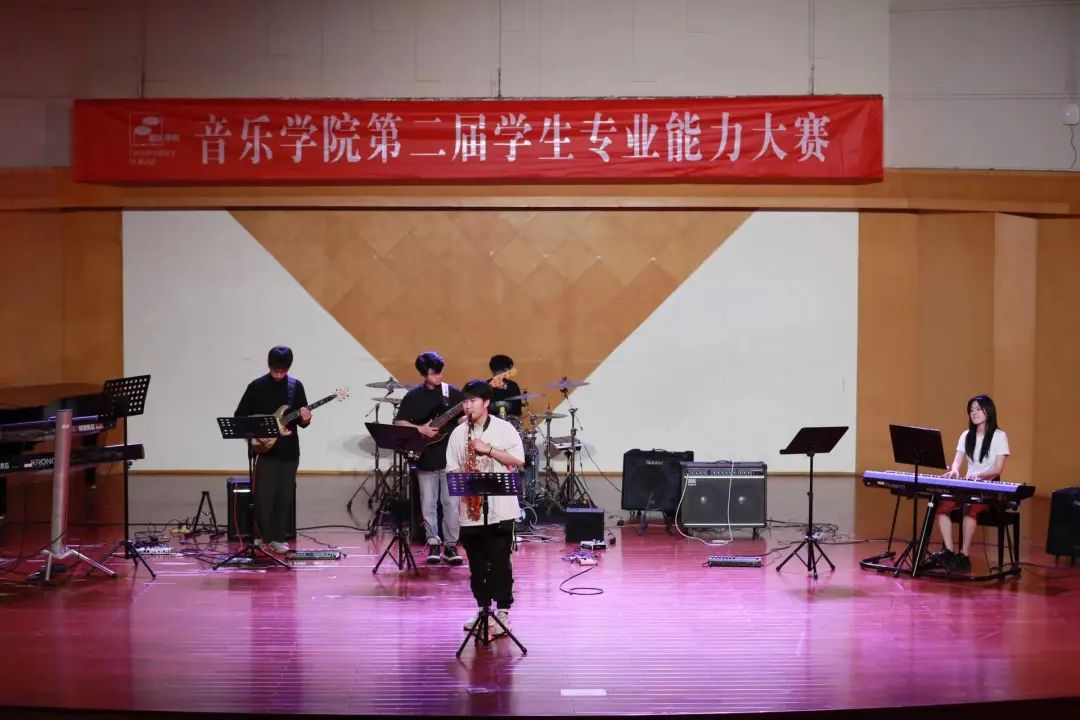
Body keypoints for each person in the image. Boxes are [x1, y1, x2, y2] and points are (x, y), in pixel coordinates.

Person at [446, 380, 526, 637]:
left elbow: (518, 460)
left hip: (501, 510)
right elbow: (452, 469)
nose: (467, 406)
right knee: (477, 565)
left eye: (472, 401)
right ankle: (483, 610)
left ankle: (502, 613)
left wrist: (488, 450)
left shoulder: (504, 429)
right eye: (465, 401)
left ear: (486, 402)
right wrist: (467, 472)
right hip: (470, 511)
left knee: (500, 563)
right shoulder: (458, 433)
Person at [234, 346, 311, 554]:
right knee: (263, 497)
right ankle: (261, 537)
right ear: (269, 365)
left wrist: (305, 419)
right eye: (275, 370)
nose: (278, 374)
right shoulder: (256, 386)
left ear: (289, 368)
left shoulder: (295, 386)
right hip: (265, 450)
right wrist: (255, 433)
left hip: (289, 450)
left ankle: (278, 539)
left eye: (283, 371)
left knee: (284, 497)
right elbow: (240, 416)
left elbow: (302, 420)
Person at [393, 351, 465, 566]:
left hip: (451, 459)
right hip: (425, 456)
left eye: (440, 372)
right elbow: (399, 422)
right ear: (424, 374)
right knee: (428, 504)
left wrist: (466, 418)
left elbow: (461, 418)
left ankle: (451, 545)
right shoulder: (413, 396)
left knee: (451, 505)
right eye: (434, 374)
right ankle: (433, 542)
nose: (439, 377)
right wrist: (420, 429)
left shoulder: (452, 393)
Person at [928, 395, 1010, 572]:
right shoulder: (966, 435)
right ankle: (949, 551)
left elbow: (997, 469)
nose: (974, 413)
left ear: (989, 411)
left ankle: (964, 555)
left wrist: (979, 475)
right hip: (969, 484)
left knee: (970, 506)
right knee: (941, 505)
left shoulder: (999, 436)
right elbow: (957, 461)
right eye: (971, 410)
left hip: (989, 486)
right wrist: (955, 470)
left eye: (978, 409)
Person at [488, 354, 523, 422]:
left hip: (510, 424)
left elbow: (518, 412)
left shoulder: (513, 386)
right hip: (491, 424)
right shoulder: (486, 387)